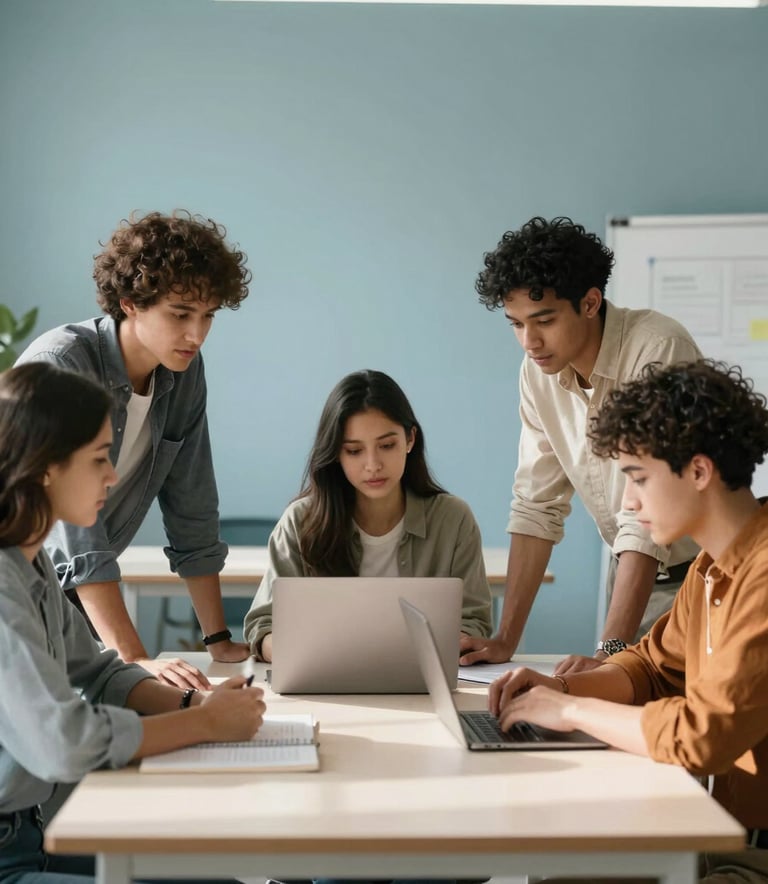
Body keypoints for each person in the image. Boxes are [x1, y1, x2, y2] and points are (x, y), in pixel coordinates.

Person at [491, 359, 768, 882]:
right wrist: (560, 689)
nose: (629, 502)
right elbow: (652, 669)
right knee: (557, 873)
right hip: (719, 834)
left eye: (638, 479)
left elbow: (701, 736)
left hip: (752, 857)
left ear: (700, 471)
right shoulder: (710, 568)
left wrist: (572, 711)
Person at [0, 362, 266, 884]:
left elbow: (100, 672)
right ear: (46, 466)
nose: (113, 476)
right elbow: (65, 743)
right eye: (100, 458)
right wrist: (205, 725)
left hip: (34, 830)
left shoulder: (29, 564)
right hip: (10, 858)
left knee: (216, 877)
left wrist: (198, 702)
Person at [17, 210, 252, 691]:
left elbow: (192, 501)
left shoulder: (183, 371)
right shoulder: (63, 363)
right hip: (18, 589)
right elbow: (74, 535)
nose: (197, 334)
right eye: (180, 314)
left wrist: (218, 638)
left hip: (72, 604)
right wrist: (135, 662)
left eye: (208, 315)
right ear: (130, 303)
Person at [462, 216, 701, 674]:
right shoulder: (538, 373)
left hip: (692, 577)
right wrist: (504, 638)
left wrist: (609, 654)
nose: (529, 342)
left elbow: (644, 518)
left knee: (658, 721)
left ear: (590, 303)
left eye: (544, 321)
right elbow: (536, 504)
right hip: (629, 574)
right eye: (515, 324)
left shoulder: (658, 350)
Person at [244, 369, 492, 662]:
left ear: (410, 439)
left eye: (387, 446)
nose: (373, 465)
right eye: (354, 451)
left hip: (422, 688)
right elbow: (263, 626)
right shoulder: (301, 522)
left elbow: (474, 623)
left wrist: (441, 646)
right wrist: (307, 655)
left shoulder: (453, 519)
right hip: (324, 685)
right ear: (336, 453)